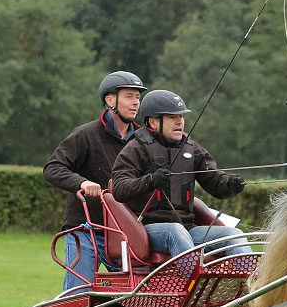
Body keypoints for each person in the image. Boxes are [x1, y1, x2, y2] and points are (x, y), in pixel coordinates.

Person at [111, 89, 251, 265]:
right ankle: (195, 286)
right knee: (175, 231)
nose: (180, 122)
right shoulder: (135, 149)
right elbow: (119, 189)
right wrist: (150, 181)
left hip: (188, 229)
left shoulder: (191, 148)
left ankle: (251, 286)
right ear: (153, 122)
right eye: (172, 117)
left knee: (234, 234)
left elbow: (215, 182)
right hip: (148, 230)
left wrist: (229, 184)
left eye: (181, 117)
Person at [44, 71, 147, 292]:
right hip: (85, 229)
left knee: (133, 296)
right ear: (110, 100)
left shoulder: (144, 139)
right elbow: (53, 168)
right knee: (78, 296)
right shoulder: (86, 134)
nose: (136, 103)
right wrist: (81, 183)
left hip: (124, 233)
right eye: (129, 96)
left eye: (138, 97)